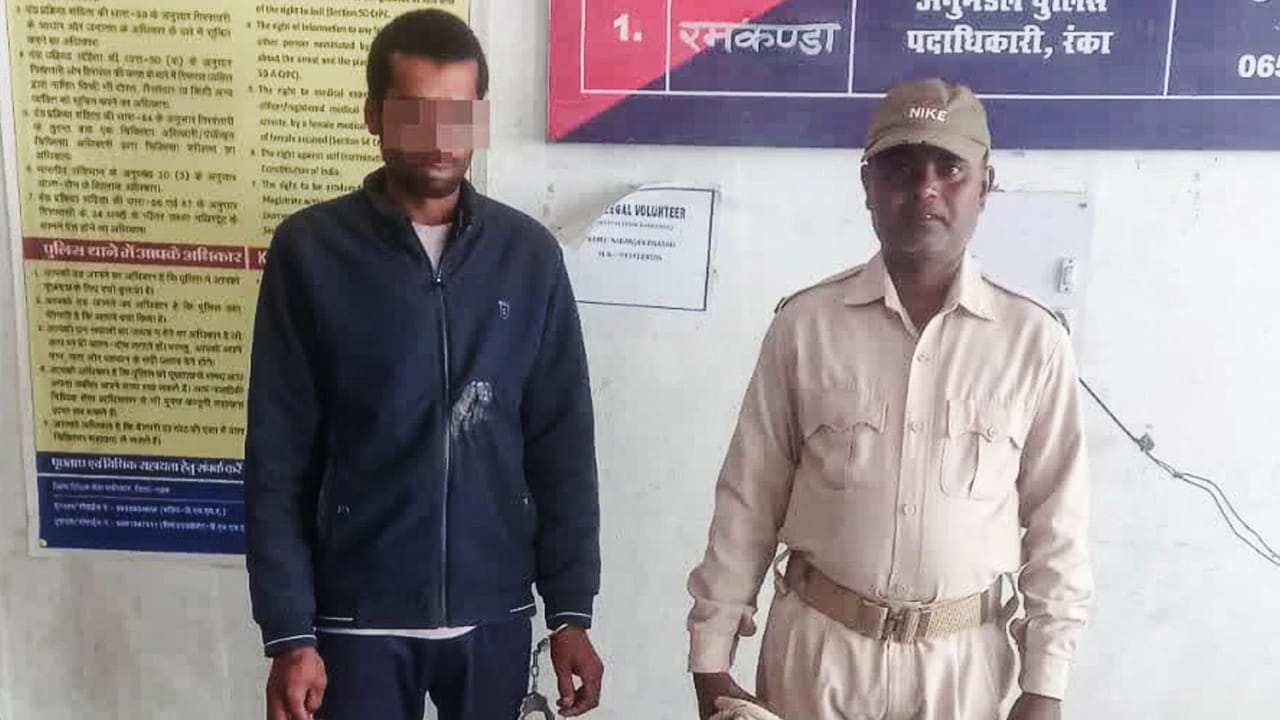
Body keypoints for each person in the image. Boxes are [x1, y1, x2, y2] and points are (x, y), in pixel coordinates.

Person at [685, 78, 1093, 720]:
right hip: (819, 656)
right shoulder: (806, 326)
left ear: (984, 187)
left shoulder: (1032, 342)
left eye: (950, 169)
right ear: (868, 186)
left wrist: (1046, 683)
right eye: (902, 167)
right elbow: (748, 498)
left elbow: (1057, 525)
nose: (926, 188)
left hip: (959, 669)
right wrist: (710, 654)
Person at [243, 9, 603, 720]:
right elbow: (277, 455)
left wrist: (570, 611)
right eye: (415, 112)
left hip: (494, 613)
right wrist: (288, 631)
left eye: (459, 113)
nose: (440, 138)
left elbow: (561, 443)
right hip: (356, 620)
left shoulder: (527, 256)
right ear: (373, 115)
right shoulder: (311, 253)